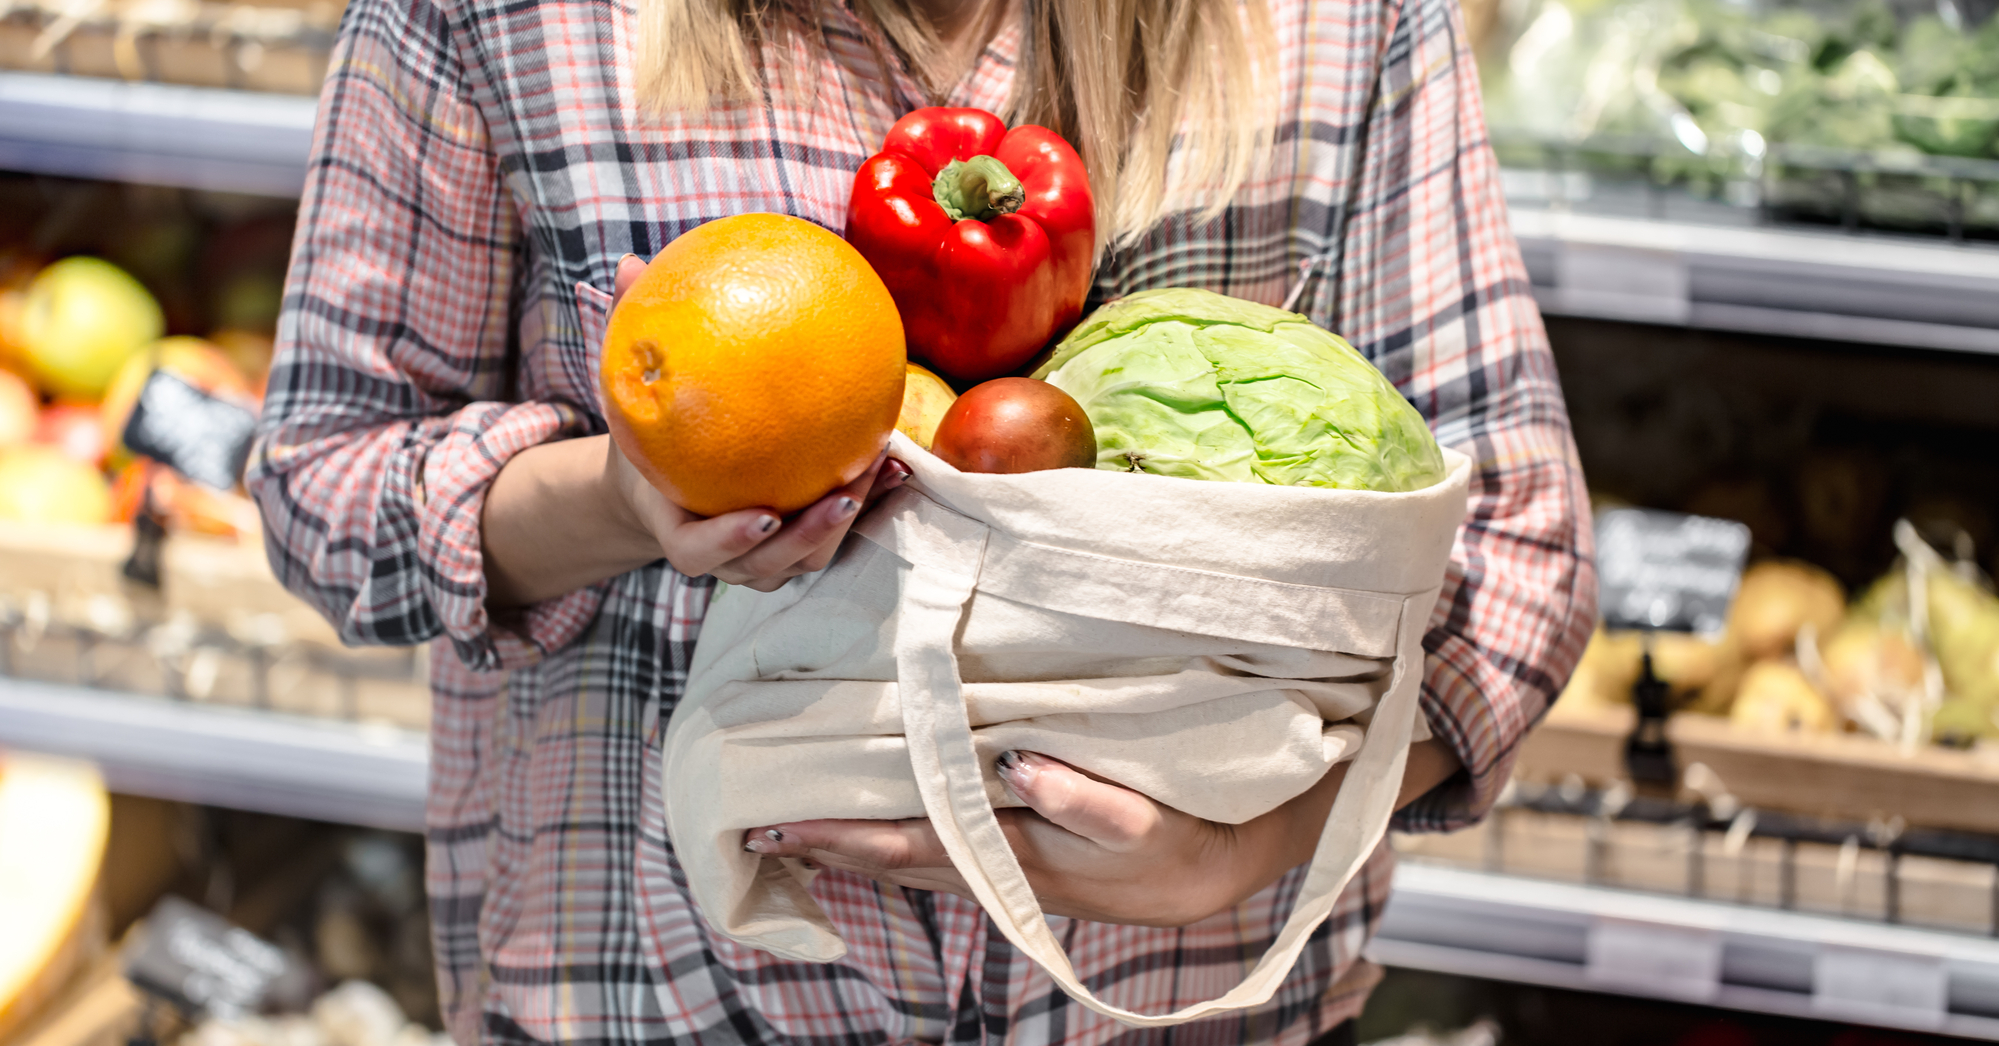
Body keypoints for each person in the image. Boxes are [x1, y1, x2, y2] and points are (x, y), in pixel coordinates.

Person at [248, 0, 1596, 1038]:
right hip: (664, 990)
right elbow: (324, 485)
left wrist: (1252, 840)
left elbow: (1523, 549)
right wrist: (617, 500)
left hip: (1186, 1000)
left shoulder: (1328, 21)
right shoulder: (517, 22)